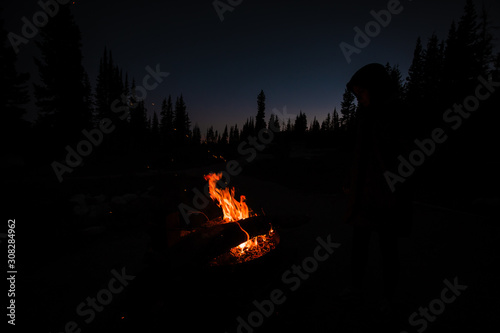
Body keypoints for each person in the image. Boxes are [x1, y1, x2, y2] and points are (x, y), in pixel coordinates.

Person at [342, 63, 415, 314]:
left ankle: (389, 297)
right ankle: (355, 288)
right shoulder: (366, 117)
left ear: (376, 89)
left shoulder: (397, 114)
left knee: (388, 246)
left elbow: (403, 155)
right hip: (365, 193)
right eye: (356, 94)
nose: (359, 98)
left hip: (387, 195)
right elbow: (360, 155)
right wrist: (353, 183)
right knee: (360, 242)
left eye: (362, 93)